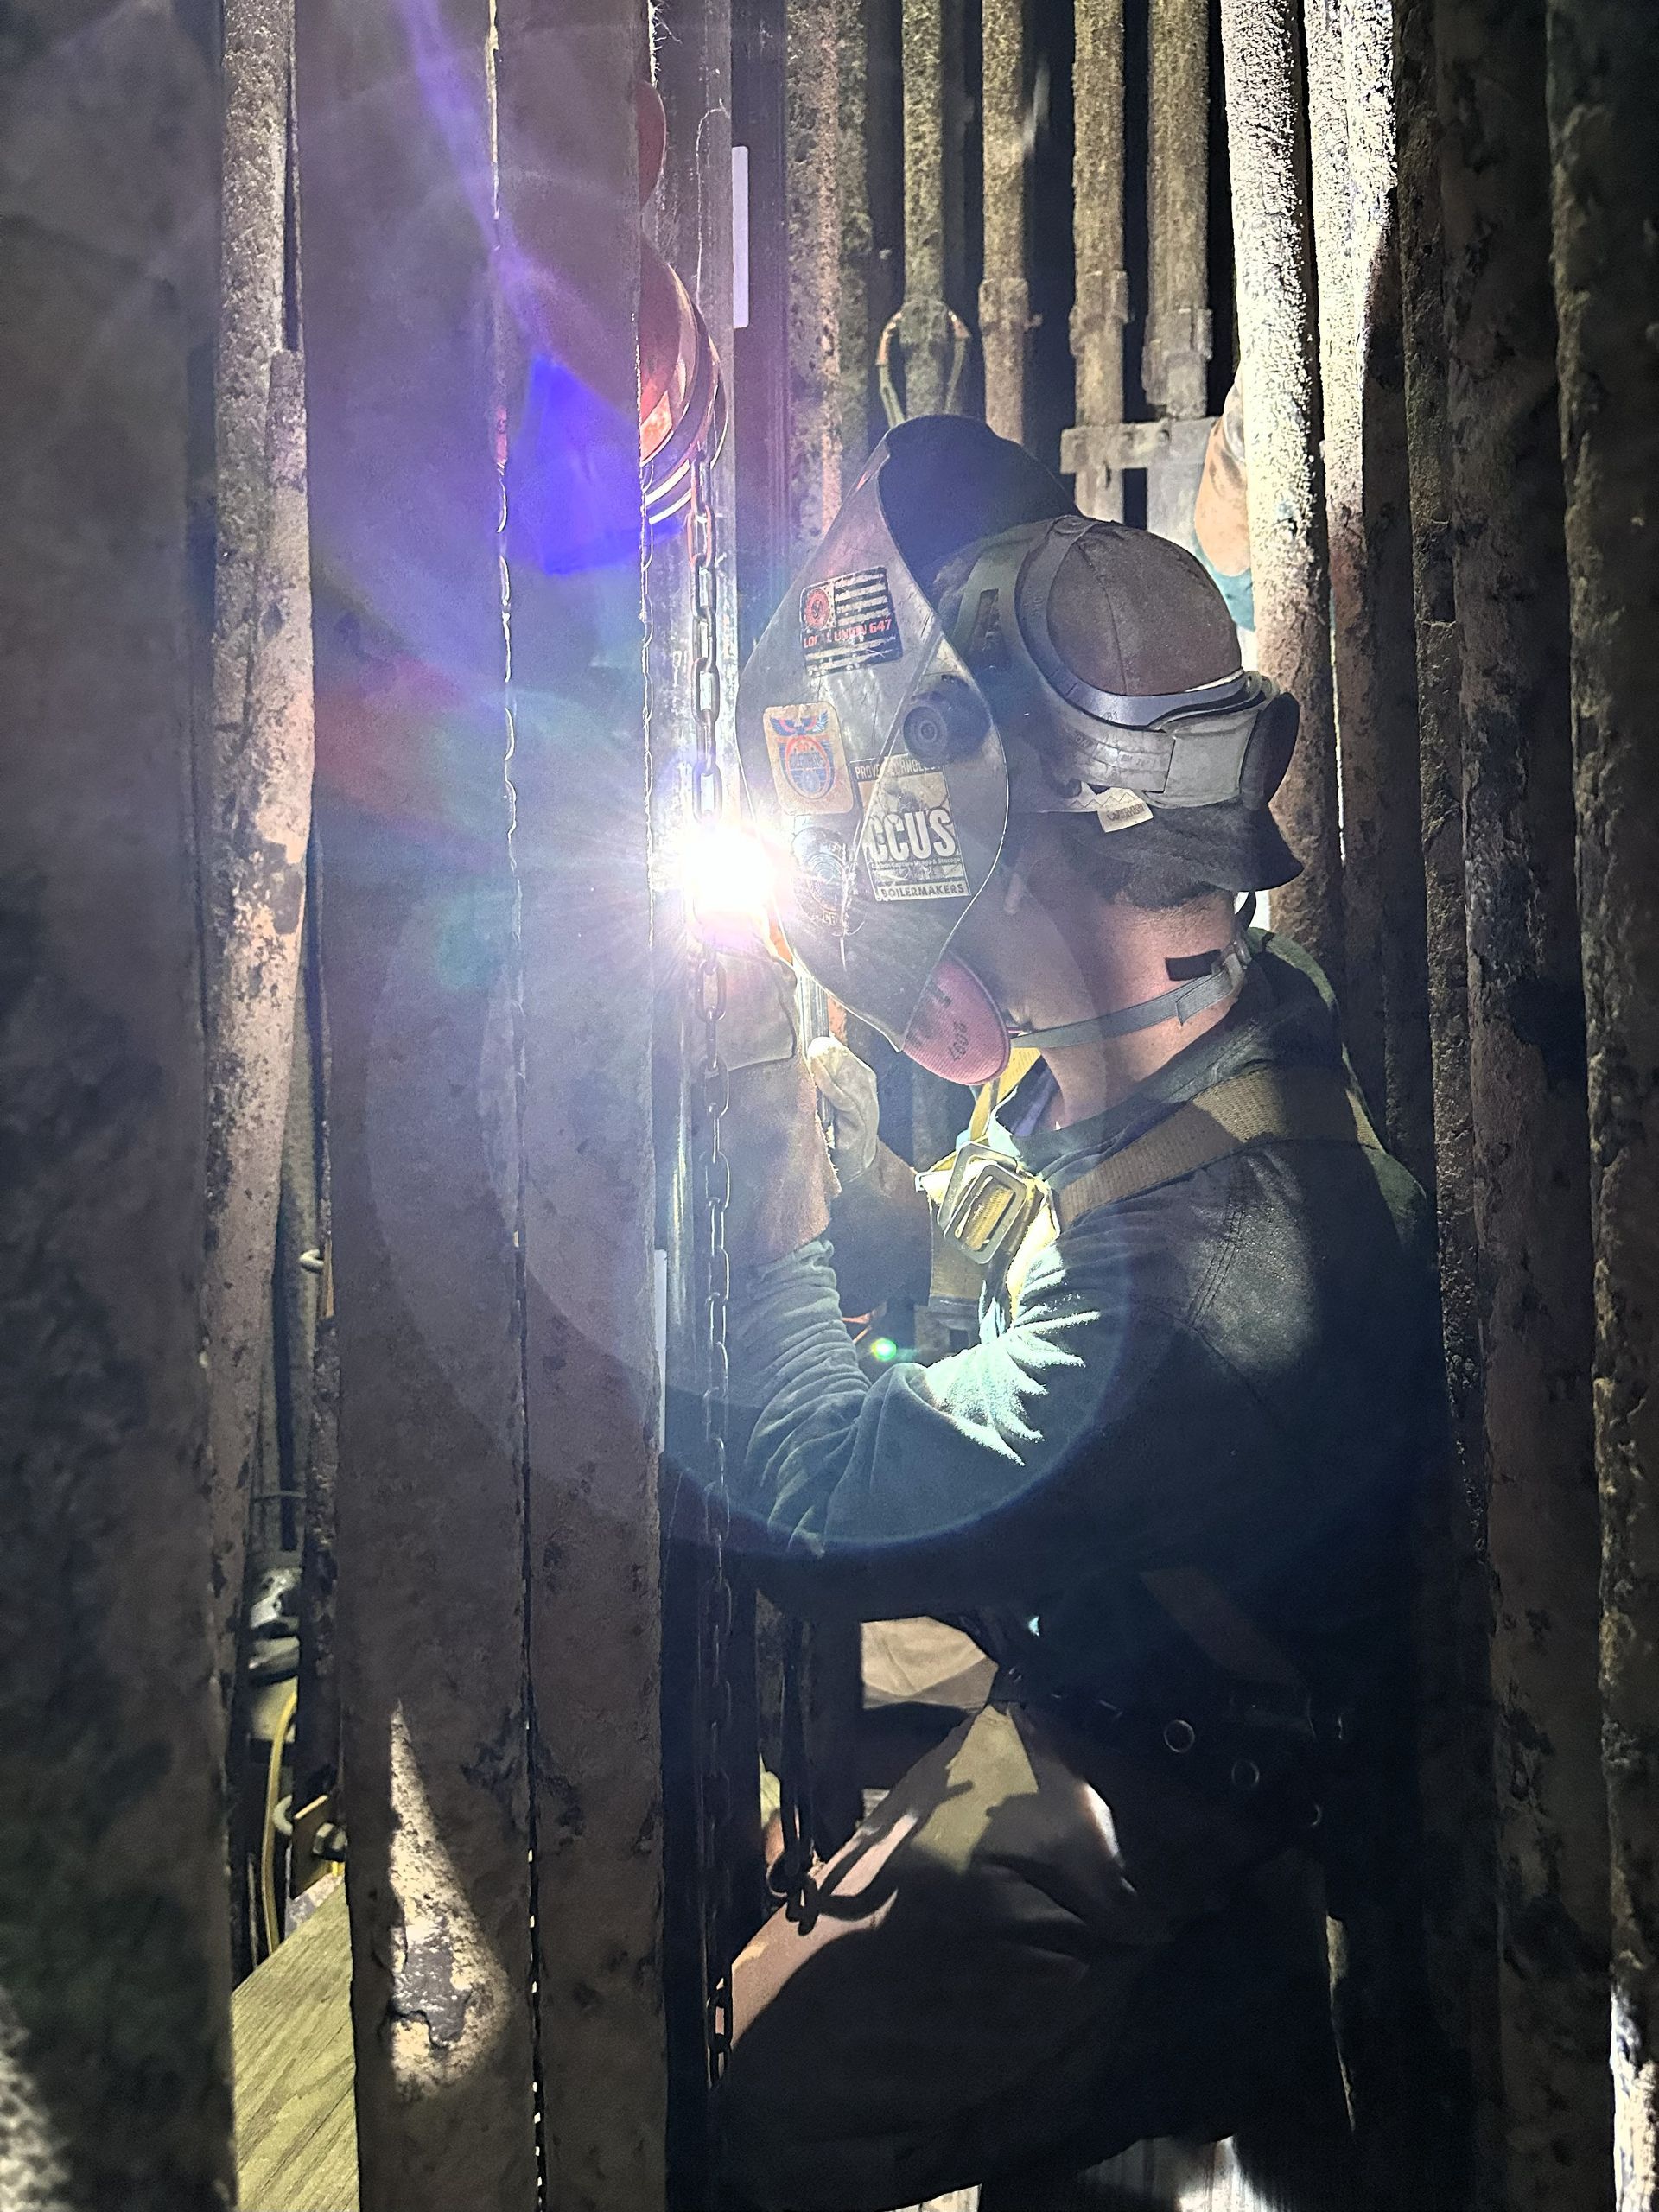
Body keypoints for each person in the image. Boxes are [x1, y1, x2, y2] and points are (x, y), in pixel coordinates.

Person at [709, 416, 1438, 2211]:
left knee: (755, 2086)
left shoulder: (1217, 1267)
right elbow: (1020, 1224)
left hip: (1201, 1757)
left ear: (982, 830)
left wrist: (761, 1178)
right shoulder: (1247, 1021)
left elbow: (808, 1492)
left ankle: (1232, 2011)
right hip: (1144, 1628)